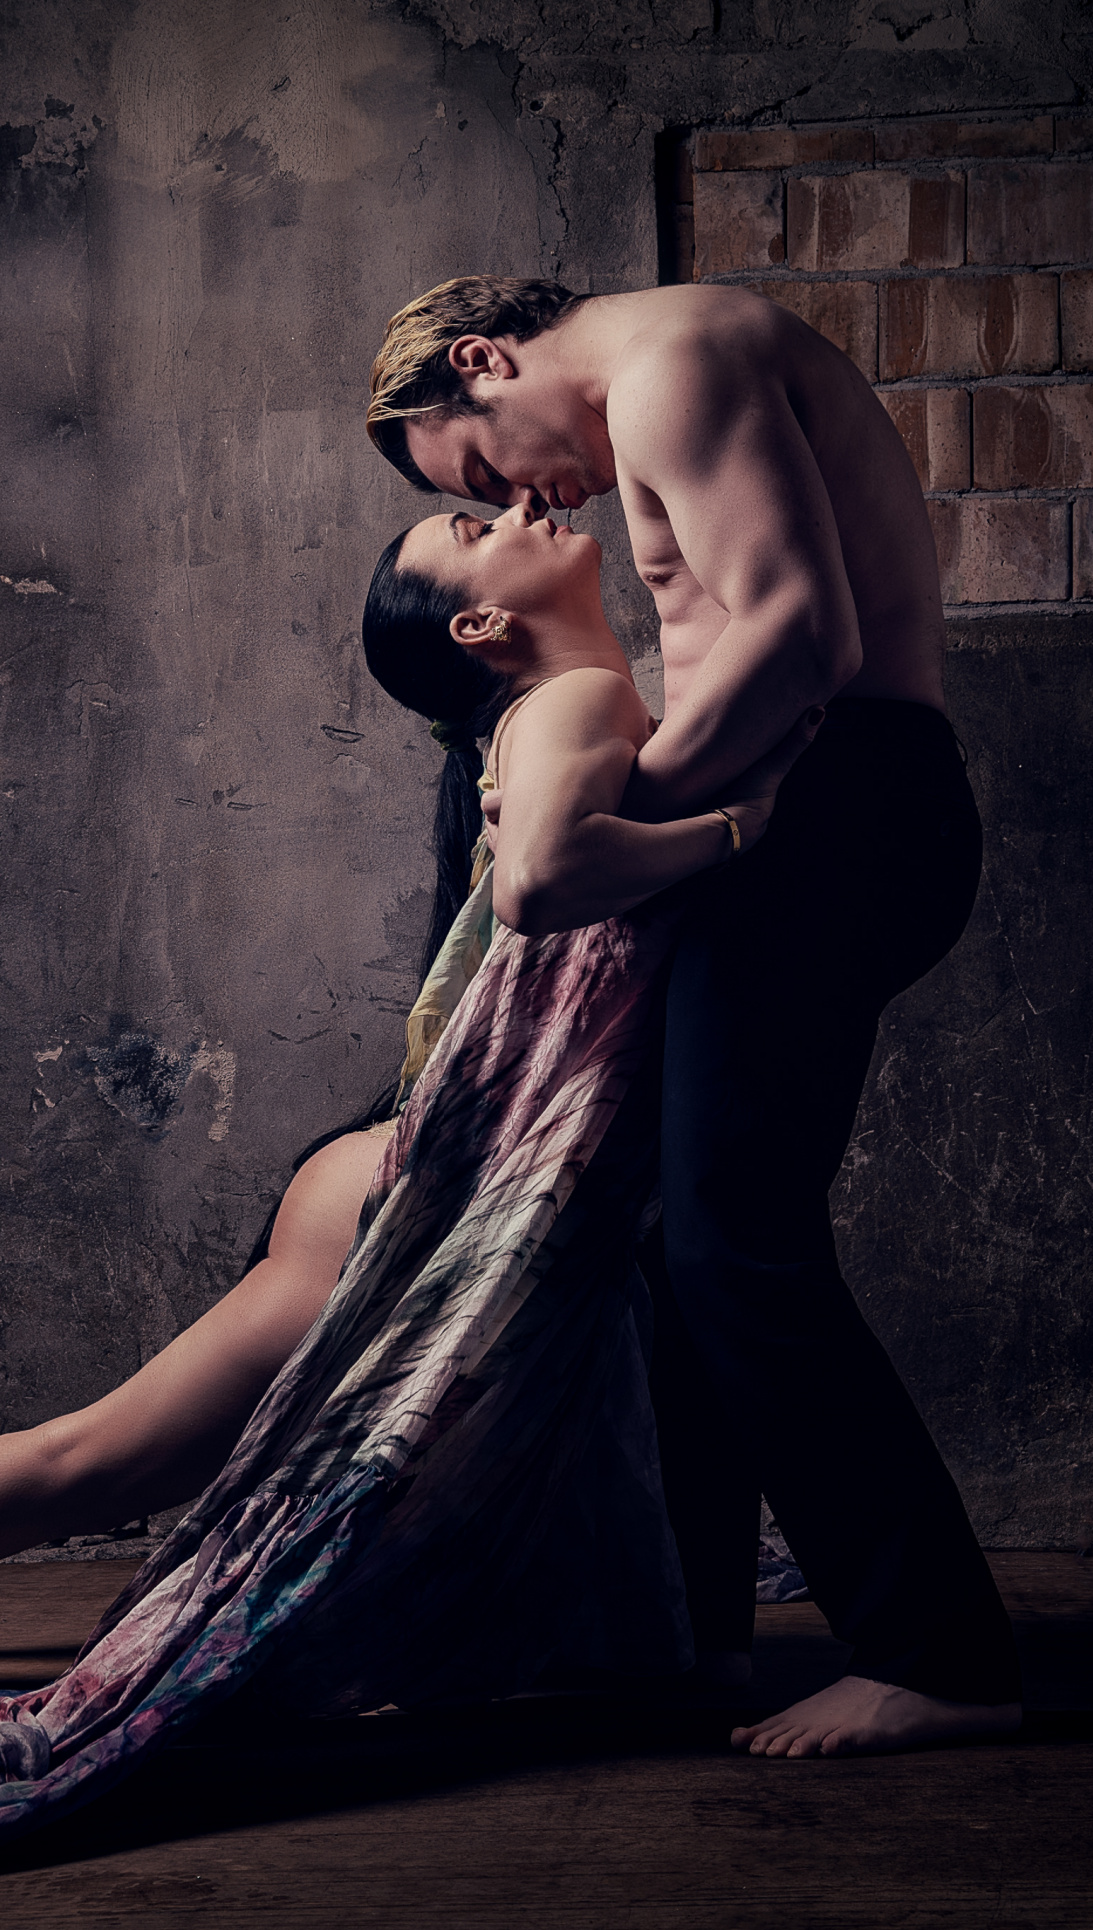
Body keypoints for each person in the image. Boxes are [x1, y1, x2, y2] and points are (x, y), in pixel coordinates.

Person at [0, 507, 800, 1679]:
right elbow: (541, 882)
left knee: (107, 1461)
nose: (519, 507)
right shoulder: (578, 699)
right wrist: (734, 831)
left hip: (406, 1180)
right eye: (474, 521)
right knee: (94, 1461)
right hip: (403, 1196)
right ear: (481, 623)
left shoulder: (547, 715)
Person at [364, 274, 1023, 1757]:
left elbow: (802, 638)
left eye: (478, 466)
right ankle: (695, 1634)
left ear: (485, 360)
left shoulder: (675, 361)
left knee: (737, 1241)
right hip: (808, 811)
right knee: (671, 1238)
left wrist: (620, 823)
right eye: (480, 501)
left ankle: (943, 1653)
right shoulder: (668, 375)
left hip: (841, 803)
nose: (520, 496)